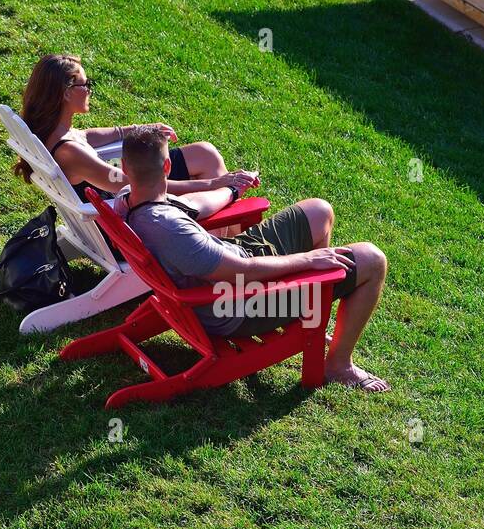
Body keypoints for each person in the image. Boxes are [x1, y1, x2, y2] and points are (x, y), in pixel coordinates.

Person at [118, 127, 390, 392]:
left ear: (125, 167)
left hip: (236, 262)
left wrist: (231, 189)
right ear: (168, 166)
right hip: (234, 304)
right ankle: (338, 365)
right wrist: (308, 260)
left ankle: (311, 322)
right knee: (372, 260)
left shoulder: (129, 201)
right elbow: (242, 271)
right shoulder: (170, 230)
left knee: (319, 211)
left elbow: (195, 205)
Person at [13, 54, 258, 203]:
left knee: (204, 153)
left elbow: (86, 136)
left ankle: (231, 236)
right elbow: (137, 186)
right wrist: (218, 184)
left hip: (123, 198)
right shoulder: (71, 153)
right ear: (66, 93)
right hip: (131, 217)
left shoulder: (54, 134)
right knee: (213, 173)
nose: (89, 90)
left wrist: (137, 129)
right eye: (85, 84)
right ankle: (233, 245)